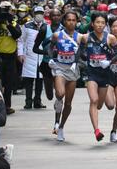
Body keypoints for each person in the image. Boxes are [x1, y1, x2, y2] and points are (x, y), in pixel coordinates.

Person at [79, 12, 117, 142]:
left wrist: (110, 62)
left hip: (105, 75)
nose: (100, 25)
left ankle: (97, 114)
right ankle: (96, 130)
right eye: (97, 22)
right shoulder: (85, 37)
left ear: (105, 24)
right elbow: (76, 49)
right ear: (93, 24)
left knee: (101, 105)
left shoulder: (110, 38)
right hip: (91, 74)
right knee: (94, 100)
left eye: (102, 23)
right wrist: (78, 61)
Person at [46, 11, 81, 142]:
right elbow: (50, 48)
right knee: (60, 94)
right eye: (68, 20)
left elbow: (83, 52)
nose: (71, 22)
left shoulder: (79, 37)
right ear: (64, 21)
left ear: (76, 22)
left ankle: (61, 127)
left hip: (72, 70)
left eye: (73, 20)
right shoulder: (57, 35)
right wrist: (52, 59)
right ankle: (56, 119)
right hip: (60, 68)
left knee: (68, 103)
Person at [0, 3, 22, 114]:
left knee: (9, 83)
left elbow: (17, 35)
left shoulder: (14, 23)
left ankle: (7, 106)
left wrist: (9, 23)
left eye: (7, 10)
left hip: (10, 57)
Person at [17, 6, 47, 109]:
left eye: (41, 13)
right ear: (33, 14)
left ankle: (37, 101)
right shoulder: (27, 26)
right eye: (37, 13)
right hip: (29, 56)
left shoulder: (46, 26)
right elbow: (21, 41)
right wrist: (20, 54)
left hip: (42, 56)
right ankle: (28, 102)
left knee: (40, 80)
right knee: (29, 80)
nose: (39, 15)